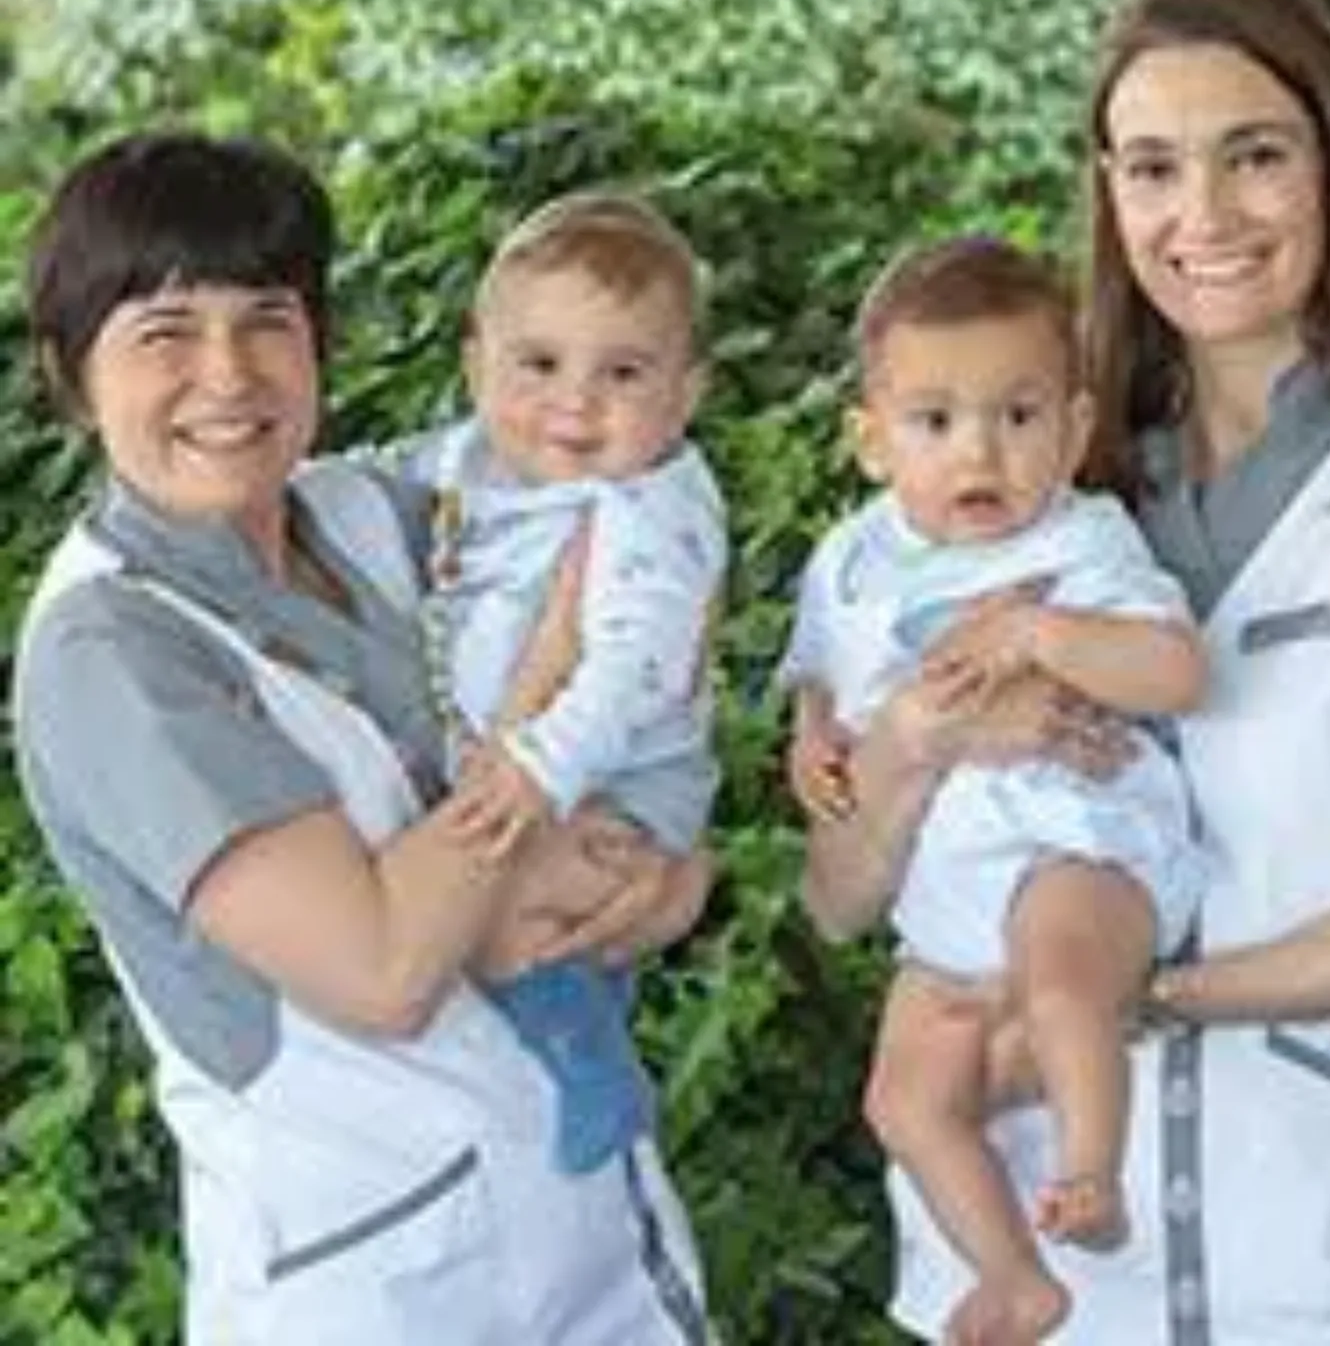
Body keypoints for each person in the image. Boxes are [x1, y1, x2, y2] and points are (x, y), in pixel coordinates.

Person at [798, 0, 1330, 1346]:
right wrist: (913, 742)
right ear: (1108, 192)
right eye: (1152, 168)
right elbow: (841, 902)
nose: (1199, 215)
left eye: (1253, 156)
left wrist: (1151, 994)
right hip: (1038, 1292)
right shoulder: (1019, 484)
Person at [12, 130, 713, 1346]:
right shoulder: (112, 655)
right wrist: (541, 703)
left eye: (269, 319)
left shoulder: (379, 512)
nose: (228, 376)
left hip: (585, 1231)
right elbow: (384, 969)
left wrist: (675, 882)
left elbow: (627, 529)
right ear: (74, 378)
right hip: (378, 1291)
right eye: (164, 334)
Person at [782, 235, 1206, 1343]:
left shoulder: (1084, 540)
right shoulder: (851, 562)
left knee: (1063, 985)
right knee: (903, 1100)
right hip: (942, 910)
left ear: (1071, 429)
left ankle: (1088, 1172)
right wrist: (816, 745)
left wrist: (1040, 629)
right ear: (870, 441)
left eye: (1019, 418)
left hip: (1080, 845)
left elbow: (1177, 670)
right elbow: (819, 690)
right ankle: (1014, 1273)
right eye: (934, 422)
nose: (981, 452)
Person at [391, 191, 726, 1175]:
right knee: (486, 904)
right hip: (526, 764)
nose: (575, 404)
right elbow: (371, 495)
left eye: (623, 373)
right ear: (475, 365)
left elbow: (635, 667)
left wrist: (538, 762)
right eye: (538, 365)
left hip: (616, 776)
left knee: (511, 913)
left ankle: (592, 1063)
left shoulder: (648, 512)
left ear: (685, 392)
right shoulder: (464, 465)